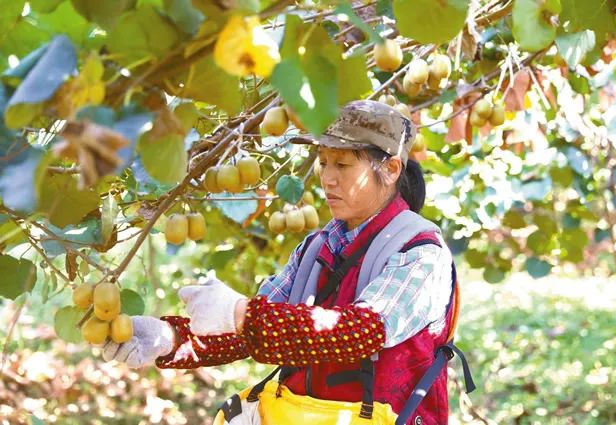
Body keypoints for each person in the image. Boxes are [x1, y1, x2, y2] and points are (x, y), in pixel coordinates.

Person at [102, 100, 461, 425]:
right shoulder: (316, 247)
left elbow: (361, 332)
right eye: (323, 162)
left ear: (392, 169)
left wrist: (240, 312)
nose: (327, 178)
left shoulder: (420, 252)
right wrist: (171, 338)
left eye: (343, 164)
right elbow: (255, 326)